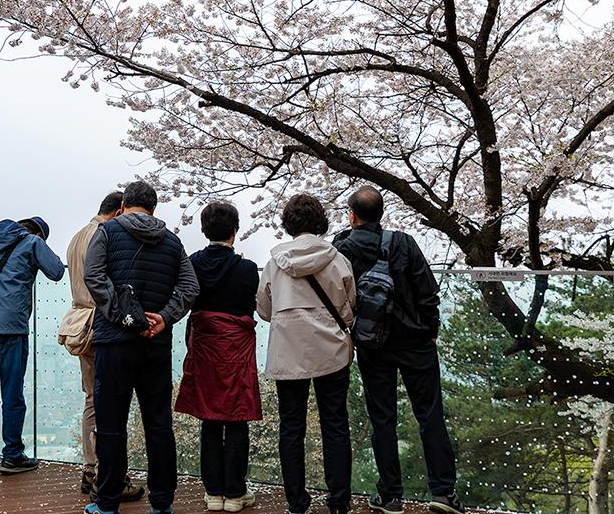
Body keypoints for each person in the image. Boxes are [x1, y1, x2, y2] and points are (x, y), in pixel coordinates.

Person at [333, 186, 462, 514]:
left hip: (372, 345)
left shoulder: (342, 249)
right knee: (430, 414)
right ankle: (443, 492)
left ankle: (390, 496)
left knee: (382, 418)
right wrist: (430, 331)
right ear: (382, 214)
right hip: (416, 342)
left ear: (352, 216)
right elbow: (428, 293)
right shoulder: (403, 242)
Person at [83, 180, 200, 514]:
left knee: (111, 425)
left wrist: (122, 317)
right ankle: (162, 503)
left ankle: (107, 503)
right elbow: (190, 286)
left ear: (123, 206)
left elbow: (94, 276)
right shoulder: (172, 242)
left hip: (113, 343)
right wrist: (164, 317)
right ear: (154, 208)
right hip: (155, 343)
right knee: (158, 424)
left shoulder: (106, 233)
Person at [257, 194, 355, 514]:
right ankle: (339, 501)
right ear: (320, 222)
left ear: (288, 224)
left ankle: (297, 503)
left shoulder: (274, 263)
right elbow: (349, 306)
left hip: (288, 351)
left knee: (291, 426)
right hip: (332, 350)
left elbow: (264, 310)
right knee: (335, 424)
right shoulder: (338, 259)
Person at [175, 200, 261, 513]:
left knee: (209, 417)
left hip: (204, 346)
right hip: (236, 349)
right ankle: (235, 494)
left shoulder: (192, 264)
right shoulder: (247, 269)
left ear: (204, 230)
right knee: (236, 417)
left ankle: (213, 493)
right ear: (235, 231)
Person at [61, 191, 145, 502]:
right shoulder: (106, 235)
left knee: (91, 399)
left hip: (78, 323)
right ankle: (107, 474)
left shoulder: (77, 237)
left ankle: (90, 468)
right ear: (120, 210)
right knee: (109, 400)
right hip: (101, 323)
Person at [0, 216, 65, 474]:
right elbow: (57, 271)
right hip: (12, 328)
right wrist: (38, 250)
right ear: (39, 234)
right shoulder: (33, 242)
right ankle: (12, 455)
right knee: (12, 393)